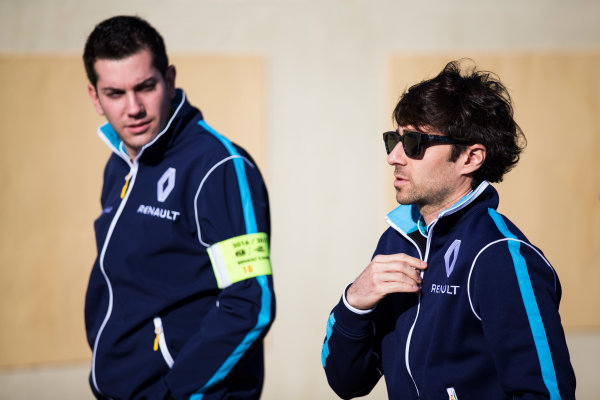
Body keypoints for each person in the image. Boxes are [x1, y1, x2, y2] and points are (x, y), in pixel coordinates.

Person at [321, 60, 575, 399]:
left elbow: (545, 392)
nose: (394, 156)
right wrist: (355, 303)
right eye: (393, 139)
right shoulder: (398, 241)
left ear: (471, 158)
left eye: (413, 142)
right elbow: (347, 382)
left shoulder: (500, 255)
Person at [83, 15, 275, 400]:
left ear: (169, 80)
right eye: (115, 93)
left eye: (145, 87)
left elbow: (249, 301)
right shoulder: (121, 163)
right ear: (95, 98)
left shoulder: (218, 167)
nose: (133, 108)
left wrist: (171, 392)